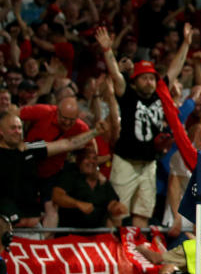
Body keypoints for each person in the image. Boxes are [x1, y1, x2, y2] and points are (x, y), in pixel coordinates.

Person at [99, 26, 168, 228]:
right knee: (117, 211)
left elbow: (174, 70)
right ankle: (111, 252)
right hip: (125, 161)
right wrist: (107, 51)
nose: (149, 82)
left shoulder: (159, 96)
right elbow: (115, 74)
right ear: (135, 82)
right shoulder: (128, 95)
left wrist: (186, 44)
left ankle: (136, 253)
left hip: (148, 164)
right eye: (144, 78)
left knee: (143, 213)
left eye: (152, 78)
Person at [0, 110, 105, 225]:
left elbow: (68, 144)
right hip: (6, 230)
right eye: (13, 128)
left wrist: (95, 132)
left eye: (20, 128)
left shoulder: (30, 148)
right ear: (1, 131)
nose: (17, 132)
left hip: (33, 228)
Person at [52, 148, 128, 229]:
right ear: (79, 161)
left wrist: (117, 208)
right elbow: (57, 196)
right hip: (72, 233)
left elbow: (111, 203)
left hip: (98, 234)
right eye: (87, 158)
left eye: (94, 158)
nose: (91, 161)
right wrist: (77, 204)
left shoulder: (102, 181)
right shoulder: (70, 176)